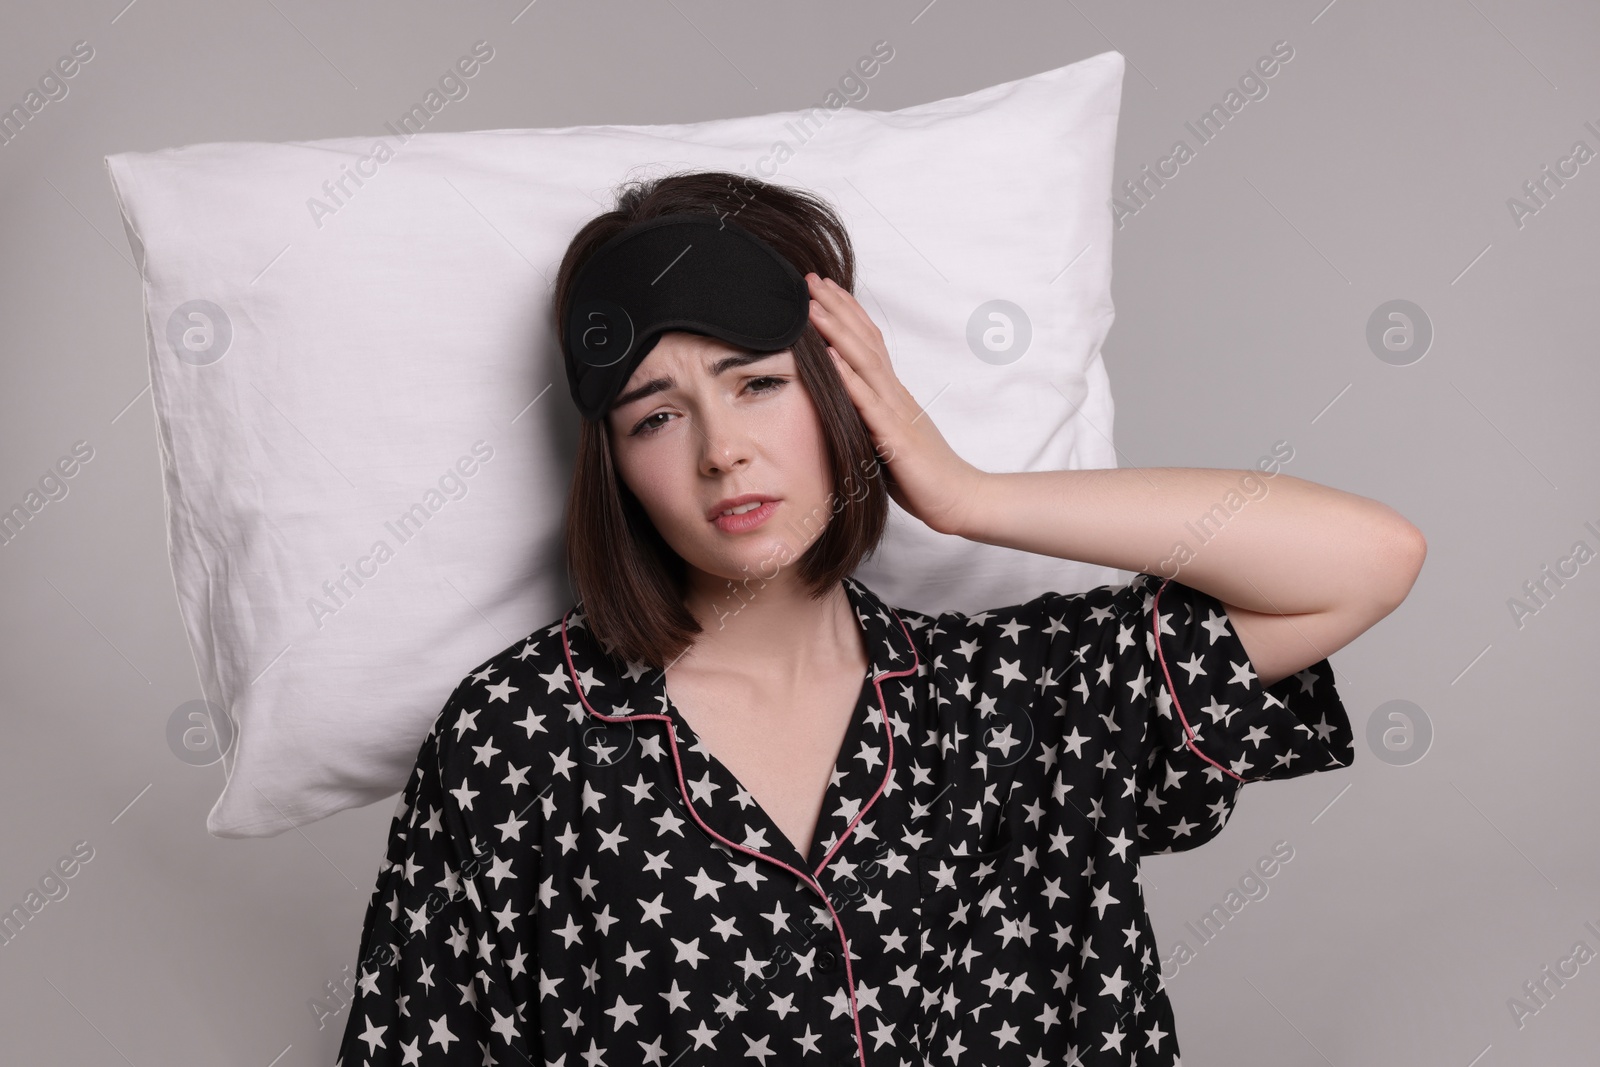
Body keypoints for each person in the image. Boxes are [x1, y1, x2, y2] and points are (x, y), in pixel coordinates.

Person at [336, 171, 1425, 1067]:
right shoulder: (518, 736)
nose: (721, 449)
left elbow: (1367, 561)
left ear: (840, 388)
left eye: (756, 383)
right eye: (655, 415)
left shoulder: (1014, 696)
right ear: (613, 465)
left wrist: (965, 492)